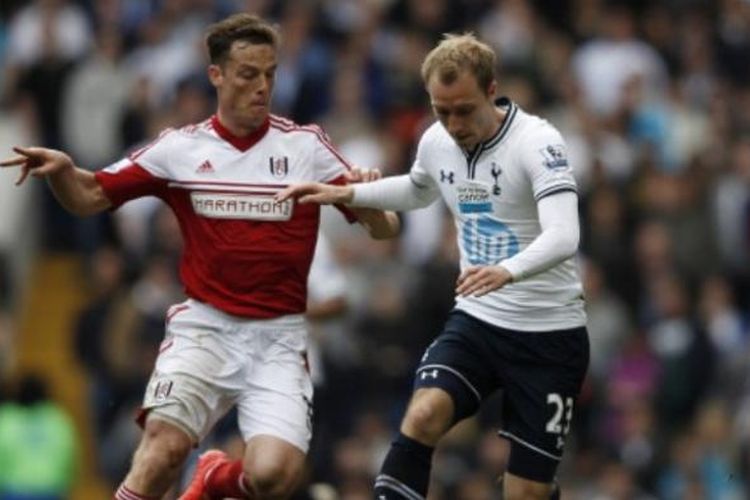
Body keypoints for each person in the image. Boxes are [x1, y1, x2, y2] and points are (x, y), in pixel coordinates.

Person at [1, 13, 400, 500]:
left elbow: (386, 229)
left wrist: (365, 197)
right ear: (217, 75)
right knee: (162, 451)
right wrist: (64, 171)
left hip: (278, 339)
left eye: (270, 74)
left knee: (272, 476)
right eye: (248, 74)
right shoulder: (181, 150)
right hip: (206, 329)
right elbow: (88, 196)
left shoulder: (305, 146)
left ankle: (213, 476)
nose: (262, 87)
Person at [277, 33, 589, 500]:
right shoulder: (436, 140)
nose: (453, 123)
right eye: (442, 111)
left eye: (463, 109)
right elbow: (419, 189)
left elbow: (565, 235)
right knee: (422, 415)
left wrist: (508, 271)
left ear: (491, 90)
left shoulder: (538, 142)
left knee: (526, 494)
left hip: (550, 336)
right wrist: (350, 193)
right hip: (480, 321)